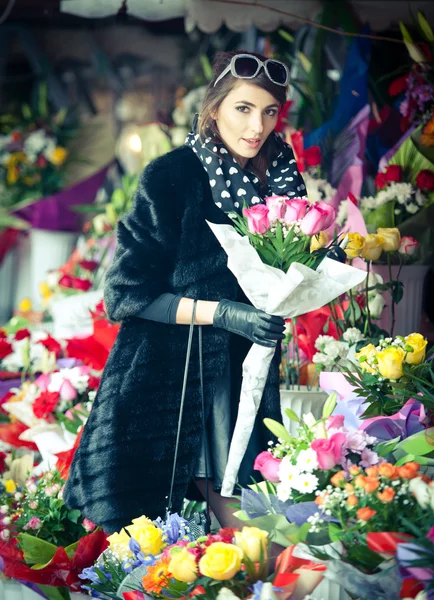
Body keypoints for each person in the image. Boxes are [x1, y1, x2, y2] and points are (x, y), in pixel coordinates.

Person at [64, 51, 309, 534]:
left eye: (269, 111)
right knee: (148, 537)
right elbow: (126, 295)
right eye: (243, 108)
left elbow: (292, 265)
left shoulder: (281, 176)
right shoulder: (172, 176)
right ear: (214, 107)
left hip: (244, 366)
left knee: (242, 514)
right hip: (165, 377)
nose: (256, 126)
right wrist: (223, 314)